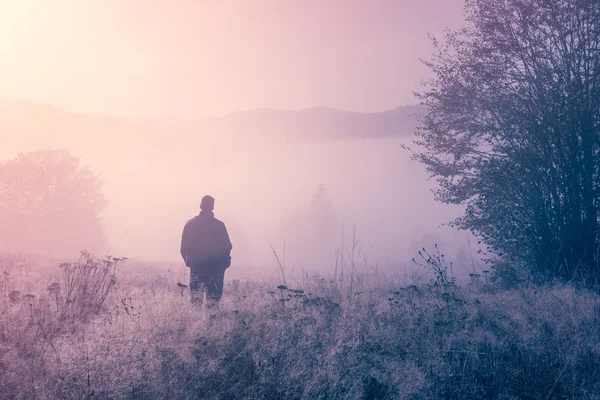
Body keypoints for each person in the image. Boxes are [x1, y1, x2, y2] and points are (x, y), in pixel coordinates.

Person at [180, 195, 232, 306]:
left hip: (197, 269)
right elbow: (227, 247)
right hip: (215, 271)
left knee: (195, 302)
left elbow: (184, 248)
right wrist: (222, 266)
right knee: (213, 304)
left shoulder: (190, 224)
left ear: (200, 206)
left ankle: (196, 324)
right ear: (212, 207)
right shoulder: (219, 225)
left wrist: (190, 263)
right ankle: (211, 324)